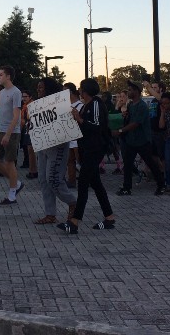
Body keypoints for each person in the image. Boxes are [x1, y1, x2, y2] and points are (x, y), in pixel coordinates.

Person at [58, 78, 115, 233]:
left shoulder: (95, 104)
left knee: (83, 184)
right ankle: (109, 217)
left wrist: (80, 119)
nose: (80, 92)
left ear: (86, 91)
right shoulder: (87, 105)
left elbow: (96, 126)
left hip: (94, 149)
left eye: (81, 89)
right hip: (88, 148)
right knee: (96, 183)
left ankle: (75, 222)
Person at [34, 77, 76, 225]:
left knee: (53, 179)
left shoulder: (60, 104)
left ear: (49, 89)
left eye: (41, 87)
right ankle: (50, 214)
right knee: (44, 180)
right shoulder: (38, 105)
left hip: (57, 146)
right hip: (43, 145)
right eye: (38, 87)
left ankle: (73, 202)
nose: (38, 90)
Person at [112, 80, 165, 197]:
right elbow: (130, 120)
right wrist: (124, 116)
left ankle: (161, 185)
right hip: (132, 140)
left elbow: (135, 123)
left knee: (151, 163)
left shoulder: (142, 106)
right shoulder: (131, 105)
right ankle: (127, 188)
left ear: (136, 91)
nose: (128, 92)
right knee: (128, 164)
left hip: (142, 141)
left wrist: (120, 131)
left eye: (130, 90)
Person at [0, 66, 24, 206]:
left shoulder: (16, 92)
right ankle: (16, 183)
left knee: (9, 162)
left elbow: (17, 116)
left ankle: (12, 196)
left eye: (1, 75)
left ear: (8, 76)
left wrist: (8, 134)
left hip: (12, 132)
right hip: (1, 130)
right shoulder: (3, 92)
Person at [64, 83, 84, 188]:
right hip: (69, 137)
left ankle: (86, 180)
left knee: (80, 161)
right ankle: (71, 181)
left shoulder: (80, 106)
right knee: (70, 161)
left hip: (78, 138)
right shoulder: (67, 105)